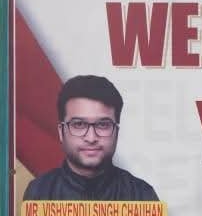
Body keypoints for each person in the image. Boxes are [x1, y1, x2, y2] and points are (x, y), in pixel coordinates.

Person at [23, 74, 159, 201]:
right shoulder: (39, 192)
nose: (91, 138)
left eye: (103, 125)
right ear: (61, 132)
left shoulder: (142, 195)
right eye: (79, 124)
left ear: (116, 132)